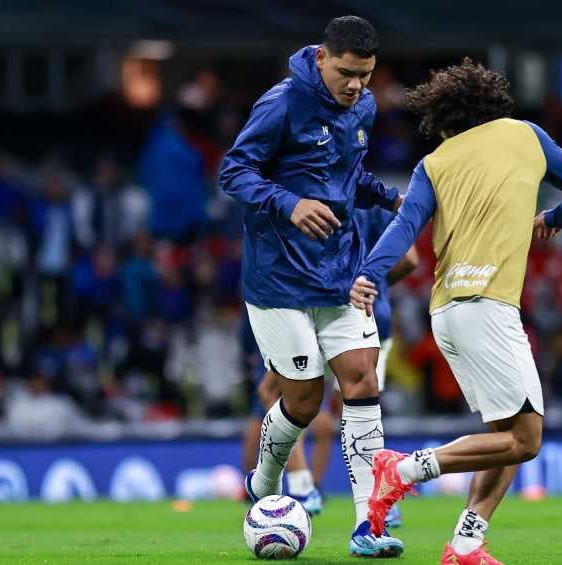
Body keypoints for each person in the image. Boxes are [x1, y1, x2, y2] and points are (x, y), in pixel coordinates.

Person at [349, 59, 562, 565]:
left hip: (448, 312)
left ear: (444, 121)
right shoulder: (525, 135)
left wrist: (370, 274)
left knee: (509, 434)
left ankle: (466, 543)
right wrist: (555, 217)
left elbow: (404, 229)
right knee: (526, 441)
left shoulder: (434, 163)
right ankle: (403, 470)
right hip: (488, 307)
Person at [218, 15, 405, 557]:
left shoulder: (363, 108)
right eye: (347, 73)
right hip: (277, 277)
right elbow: (233, 171)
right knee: (303, 399)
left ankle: (370, 526)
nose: (356, 86)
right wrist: (289, 202)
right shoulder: (281, 104)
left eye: (366, 76)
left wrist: (390, 197)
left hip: (340, 271)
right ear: (322, 58)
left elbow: (349, 179)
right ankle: (265, 480)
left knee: (362, 381)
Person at [242, 206, 418, 522]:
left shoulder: (308, 194)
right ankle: (375, 504)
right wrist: (372, 281)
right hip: (372, 315)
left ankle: (304, 486)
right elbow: (410, 259)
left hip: (319, 308)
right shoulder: (373, 199)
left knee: (276, 393)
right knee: (361, 402)